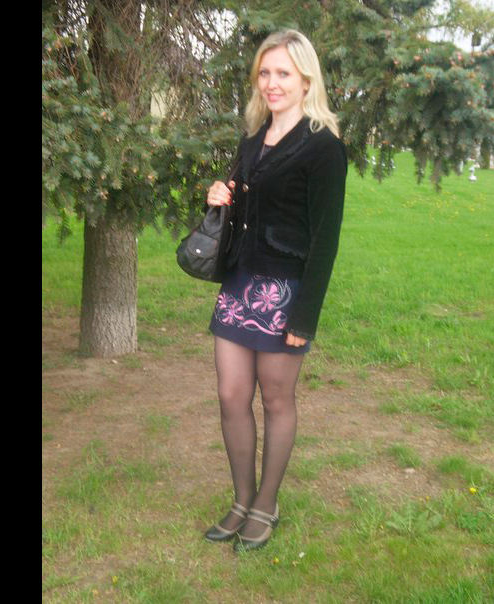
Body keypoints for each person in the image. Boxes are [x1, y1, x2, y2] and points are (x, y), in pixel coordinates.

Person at [203, 29, 347, 553]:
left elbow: (325, 240)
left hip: (286, 292)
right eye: (265, 72)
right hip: (240, 283)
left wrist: (304, 318)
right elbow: (244, 206)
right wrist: (219, 196)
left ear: (306, 79)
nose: (272, 83)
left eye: (283, 73)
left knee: (277, 399)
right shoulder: (252, 140)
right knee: (230, 395)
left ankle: (266, 503)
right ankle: (242, 499)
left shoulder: (324, 147)